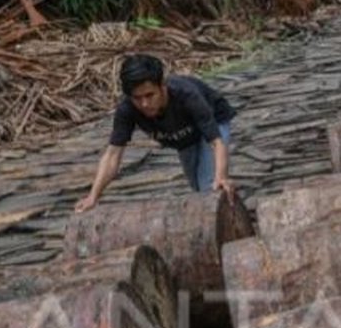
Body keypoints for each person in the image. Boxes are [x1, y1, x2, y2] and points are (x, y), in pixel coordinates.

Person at [75, 54, 236, 213]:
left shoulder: (187, 95)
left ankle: (230, 219)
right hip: (183, 137)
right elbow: (113, 155)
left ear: (162, 86)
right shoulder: (126, 110)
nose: (145, 104)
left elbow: (216, 142)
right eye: (137, 98)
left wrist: (221, 176)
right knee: (196, 186)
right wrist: (93, 197)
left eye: (150, 95)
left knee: (209, 186)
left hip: (214, 122)